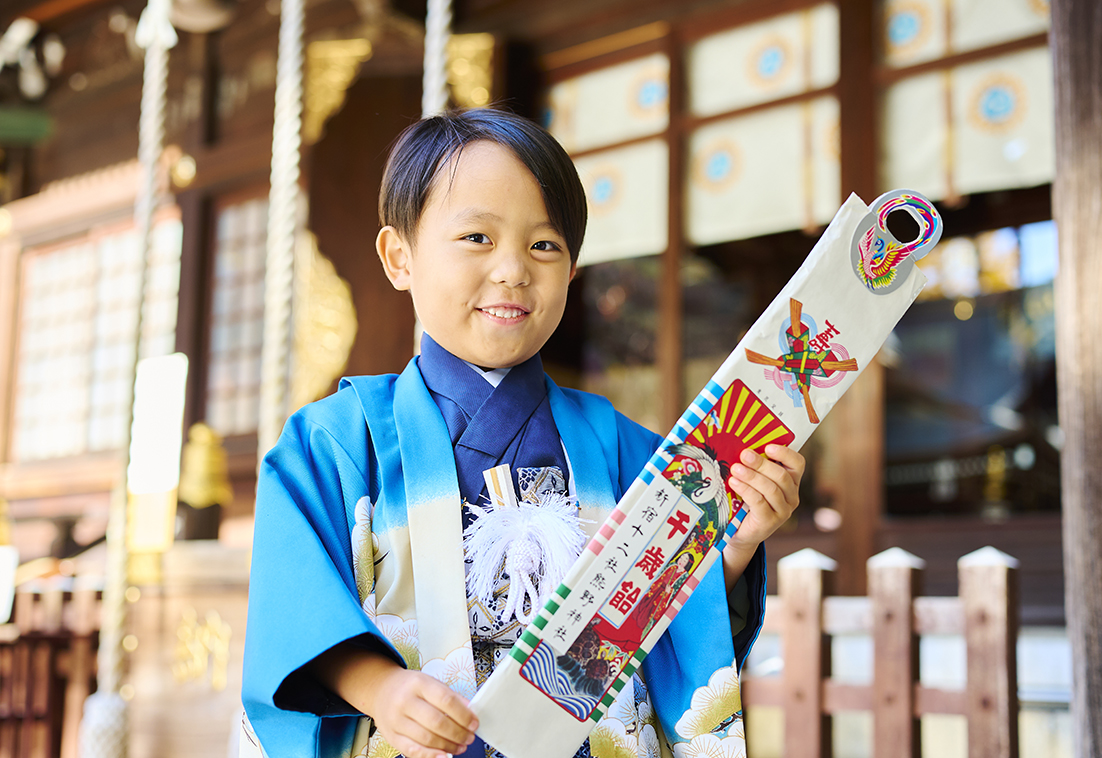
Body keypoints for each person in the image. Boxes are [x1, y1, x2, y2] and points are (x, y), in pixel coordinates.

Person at [241, 108, 805, 758]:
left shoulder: (627, 449)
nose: (513, 269)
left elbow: (674, 616)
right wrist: (383, 691)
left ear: (571, 271)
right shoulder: (334, 444)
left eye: (544, 245)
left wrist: (735, 541)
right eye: (477, 237)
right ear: (400, 256)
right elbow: (297, 618)